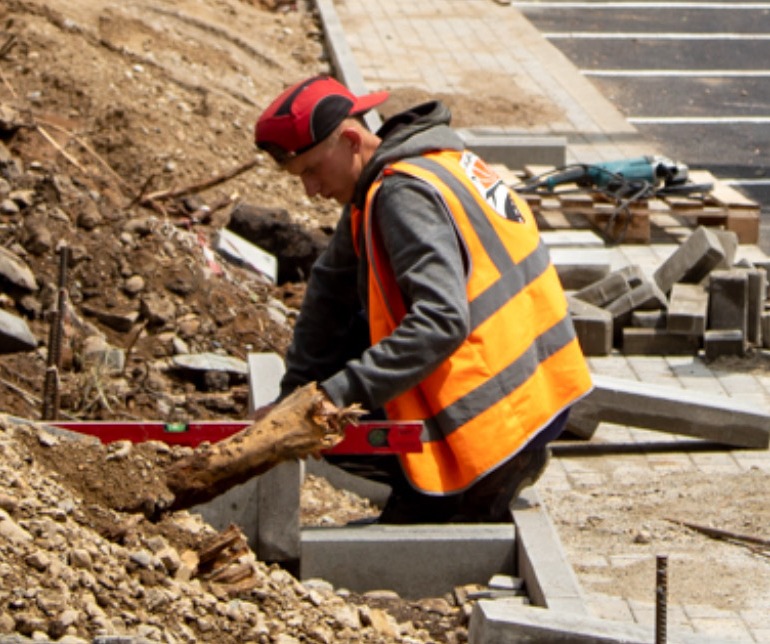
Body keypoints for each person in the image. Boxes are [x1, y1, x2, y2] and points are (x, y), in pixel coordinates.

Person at [248, 74, 590, 525]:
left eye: (311, 170)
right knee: (345, 362)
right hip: (543, 383)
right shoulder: (422, 163)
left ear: (351, 139)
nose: (310, 190)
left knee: (352, 429)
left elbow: (441, 322)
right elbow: (329, 293)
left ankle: (478, 484)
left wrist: (334, 397)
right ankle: (442, 493)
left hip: (500, 411)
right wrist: (295, 396)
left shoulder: (401, 194)